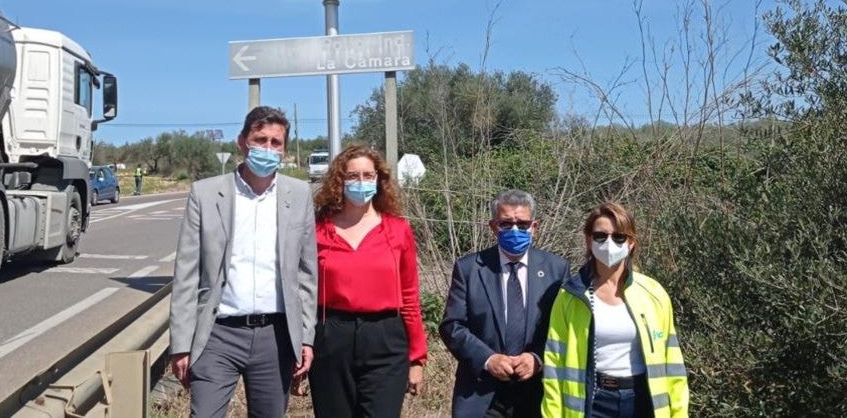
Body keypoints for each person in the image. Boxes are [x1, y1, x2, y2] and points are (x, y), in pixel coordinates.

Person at [168, 106, 317, 418]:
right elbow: (187, 273)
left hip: (275, 337)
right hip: (217, 333)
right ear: (242, 142)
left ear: (284, 148)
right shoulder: (206, 193)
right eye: (259, 139)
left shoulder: (299, 194)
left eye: (276, 142)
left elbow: (306, 276)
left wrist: (305, 337)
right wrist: (181, 343)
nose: (267, 148)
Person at [305, 144, 427, 417]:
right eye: (352, 176)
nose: (361, 182)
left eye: (368, 175)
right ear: (339, 180)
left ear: (379, 180)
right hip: (332, 335)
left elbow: (410, 296)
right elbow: (303, 293)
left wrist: (417, 358)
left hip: (385, 338)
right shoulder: (318, 230)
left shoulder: (397, 229)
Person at [542, 202, 688, 418]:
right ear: (588, 240)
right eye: (601, 236)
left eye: (619, 236)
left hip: (644, 401)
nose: (609, 243)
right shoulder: (570, 297)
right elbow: (554, 364)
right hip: (594, 402)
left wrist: (678, 413)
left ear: (631, 243)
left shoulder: (653, 293)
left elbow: (673, 363)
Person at [440, 189, 570, 418]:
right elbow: (453, 325)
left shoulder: (556, 270)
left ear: (534, 227)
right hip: (482, 393)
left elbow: (565, 329)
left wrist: (537, 359)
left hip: (537, 393)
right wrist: (488, 359)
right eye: (506, 224)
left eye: (522, 224)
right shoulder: (469, 269)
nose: (515, 230)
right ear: (493, 226)